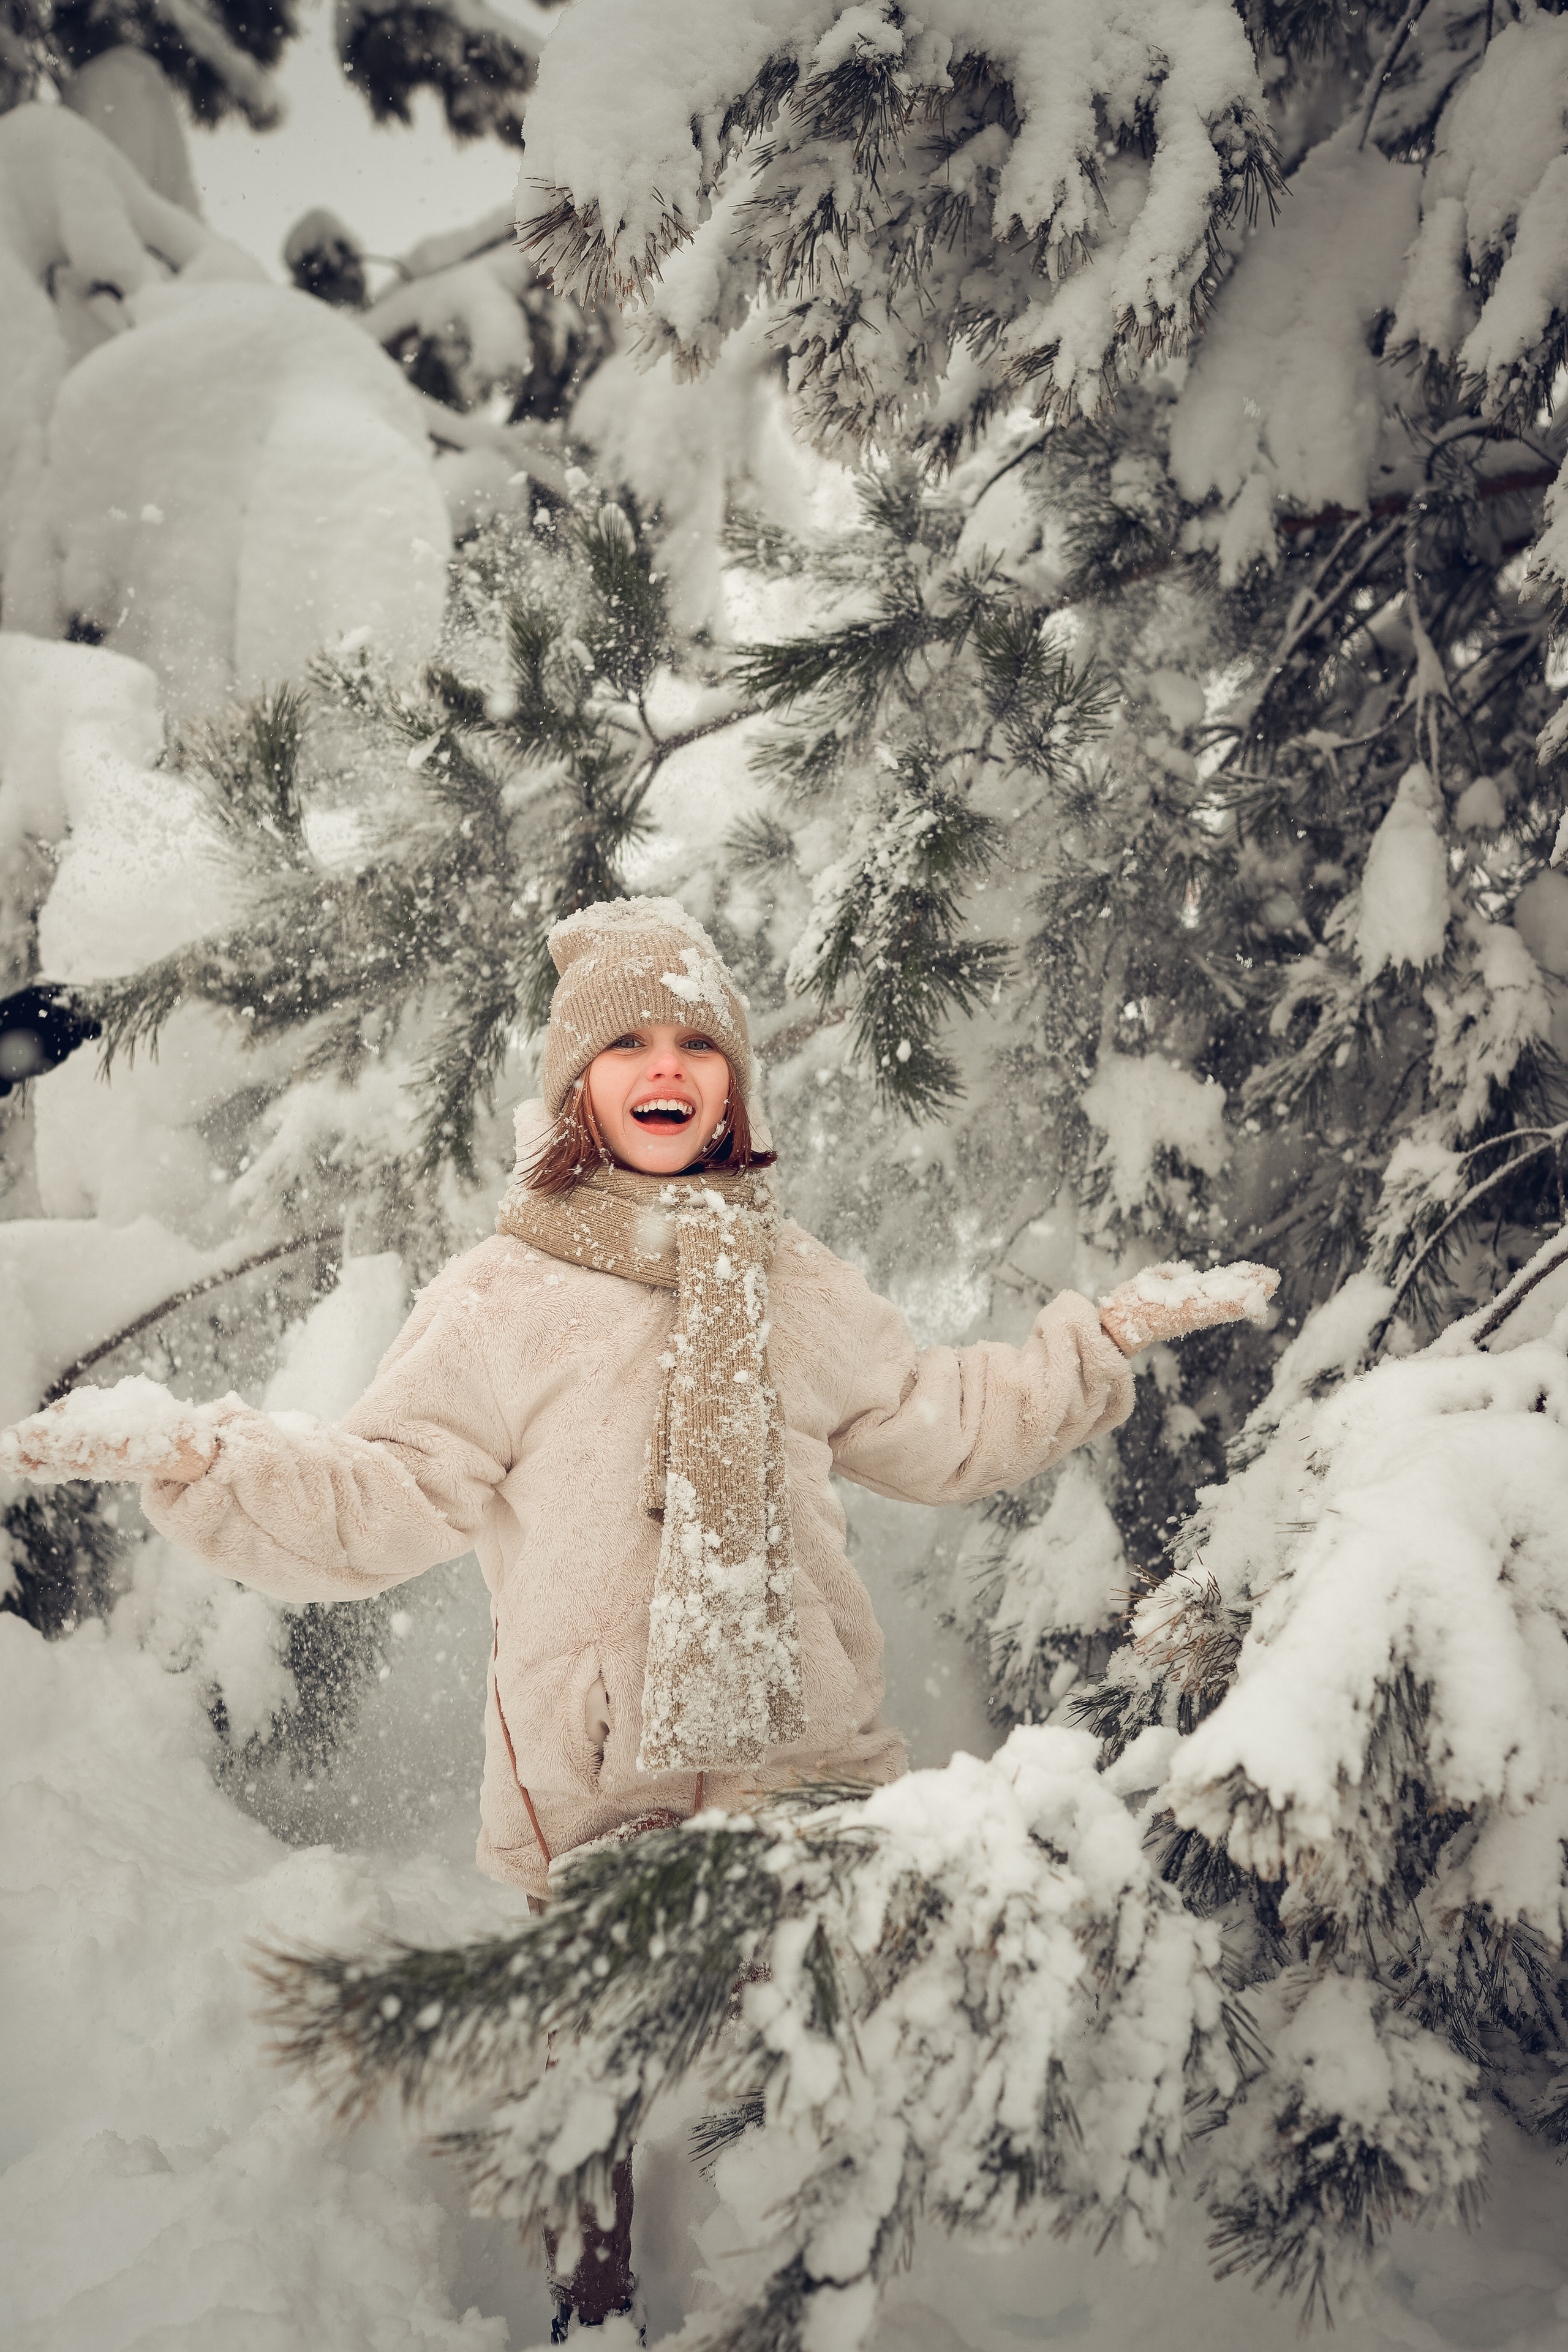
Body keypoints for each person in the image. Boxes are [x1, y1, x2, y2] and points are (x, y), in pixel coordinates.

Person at [2, 895, 1270, 2337]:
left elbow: (934, 1421)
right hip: (598, 1774)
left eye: (694, 1044)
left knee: (811, 2047)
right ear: (576, 1085)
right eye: (626, 1046)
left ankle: (814, 2294)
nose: (664, 1068)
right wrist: (208, 1459)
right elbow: (387, 1488)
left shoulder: (792, 1283)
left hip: (804, 1749)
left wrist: (1086, 1346)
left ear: (731, 1080)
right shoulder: (502, 1297)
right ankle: (589, 2292)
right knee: (589, 2056)